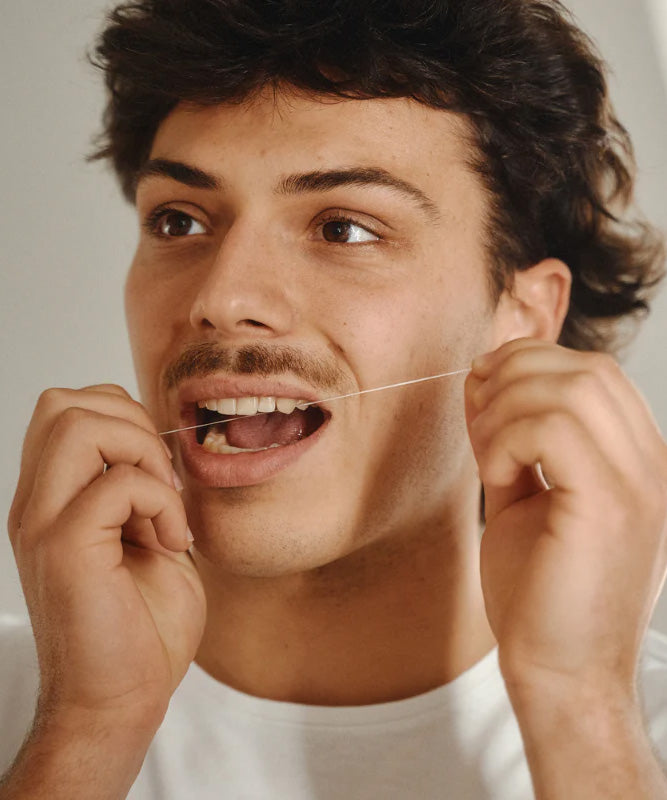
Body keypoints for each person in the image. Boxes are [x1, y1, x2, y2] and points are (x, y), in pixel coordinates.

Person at [2, 0, 667, 797]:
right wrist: (86, 731)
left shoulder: (634, 740)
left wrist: (579, 710)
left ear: (520, 321)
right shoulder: (32, 723)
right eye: (179, 221)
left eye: (343, 228)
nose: (221, 295)